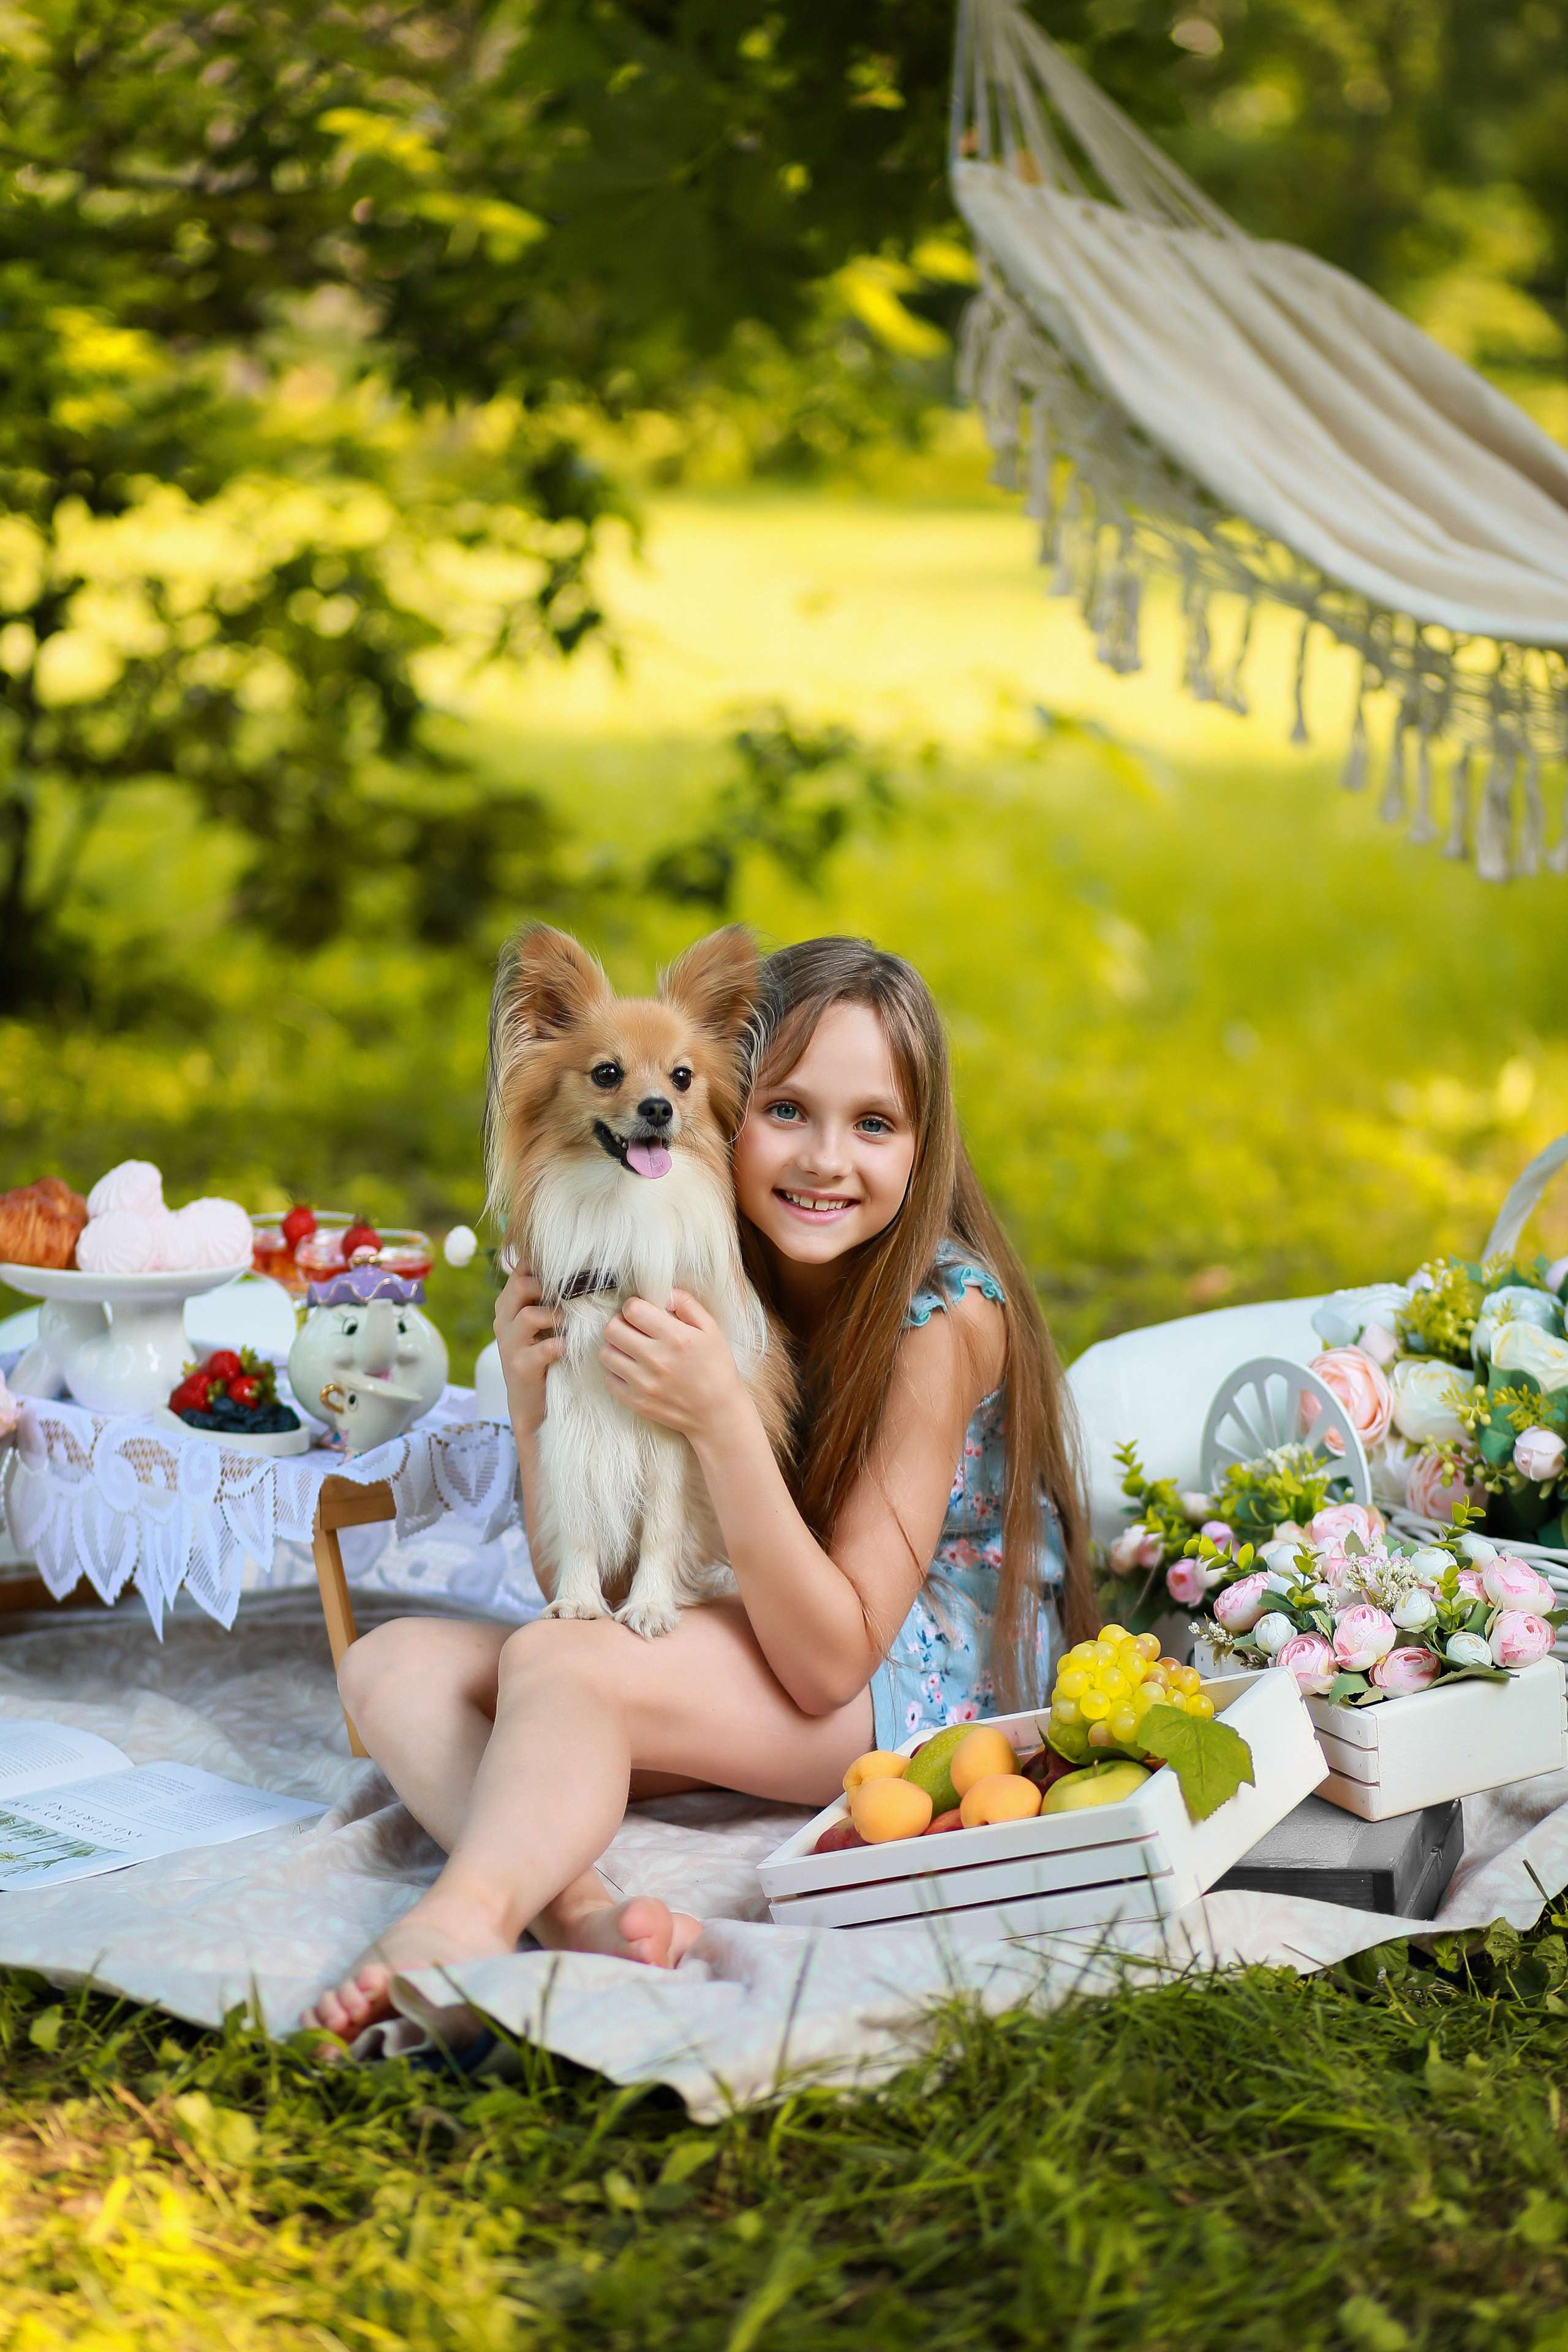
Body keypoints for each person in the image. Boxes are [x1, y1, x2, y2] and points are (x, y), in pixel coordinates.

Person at [305, 936, 1093, 2040]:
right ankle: (574, 1909)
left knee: (553, 1668)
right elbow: (589, 1585)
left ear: (925, 1148)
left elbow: (829, 1664)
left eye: (874, 1124)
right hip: (767, 1622)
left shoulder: (944, 1317)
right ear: (729, 1111)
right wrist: (536, 1402)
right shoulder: (704, 1245)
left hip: (919, 1679)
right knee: (392, 1665)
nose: (825, 1159)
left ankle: (465, 1918)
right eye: (788, 1113)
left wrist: (722, 1413)